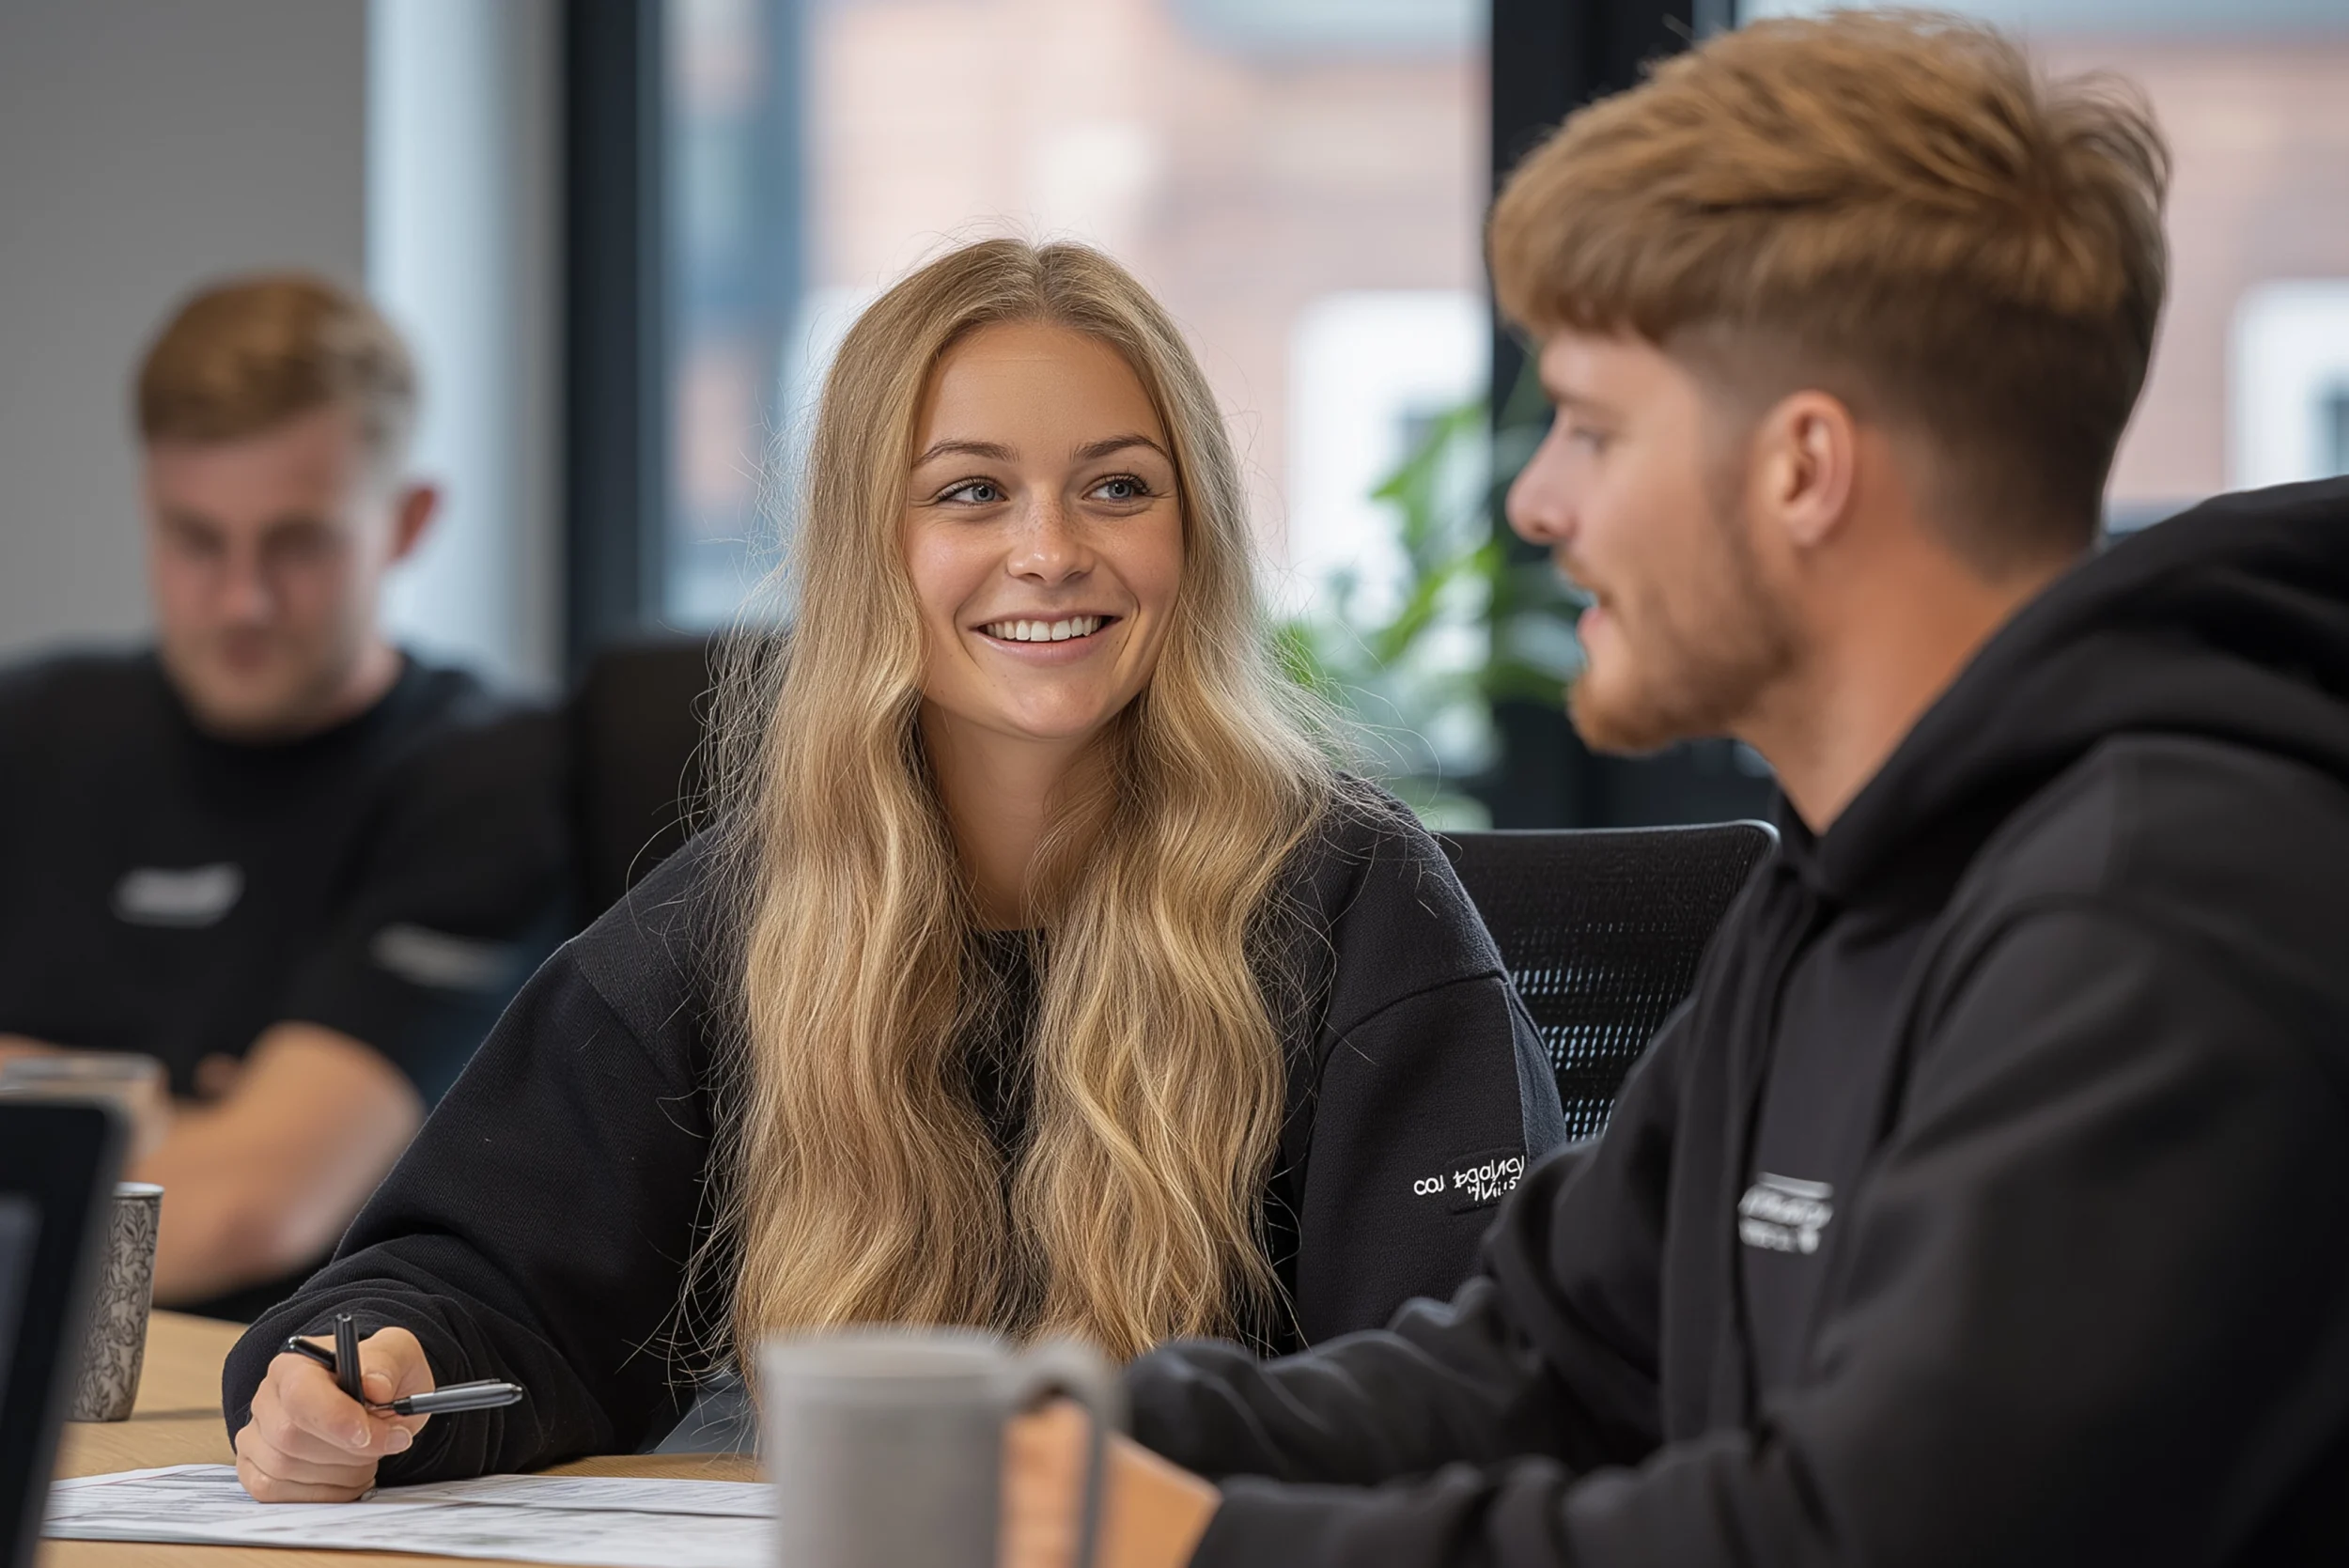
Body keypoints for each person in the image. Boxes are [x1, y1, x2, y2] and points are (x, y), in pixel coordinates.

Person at [997, 12, 2349, 1565]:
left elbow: (1855, 1537)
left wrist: (1204, 1543)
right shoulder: (1841, 892)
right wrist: (1086, 1442)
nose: (1535, 498)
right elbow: (1548, 1362)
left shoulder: (2167, 917)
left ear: (1802, 467)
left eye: (1592, 425)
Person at [222, 239, 1568, 1499]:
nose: (1050, 549)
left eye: (1119, 486)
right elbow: (483, 1274)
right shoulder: (747, 908)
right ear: (872, 545)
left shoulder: (1354, 899)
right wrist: (368, 1365)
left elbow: (1463, 1388)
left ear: (1195, 534)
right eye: (972, 492)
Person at [0, 273, 570, 1321]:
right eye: (196, 539)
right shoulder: (27, 726)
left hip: (280, 1416)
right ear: (147, 505)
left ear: (406, 522)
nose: (242, 600)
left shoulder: (491, 774)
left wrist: (48, 1104)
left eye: (298, 543)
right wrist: (156, 1120)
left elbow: (249, 1210)